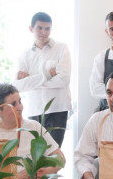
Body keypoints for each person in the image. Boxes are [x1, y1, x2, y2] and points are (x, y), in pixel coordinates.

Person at [0, 83, 64, 179]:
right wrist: (18, 178)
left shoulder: (34, 127)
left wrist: (47, 171)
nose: (20, 107)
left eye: (20, 101)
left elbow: (60, 157)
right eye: (13, 104)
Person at [12, 12, 72, 146]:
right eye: (40, 28)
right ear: (31, 28)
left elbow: (64, 79)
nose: (44, 32)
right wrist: (49, 75)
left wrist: (32, 81)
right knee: (34, 155)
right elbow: (18, 86)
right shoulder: (24, 55)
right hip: (35, 109)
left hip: (58, 108)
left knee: (53, 155)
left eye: (47, 28)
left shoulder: (62, 48)